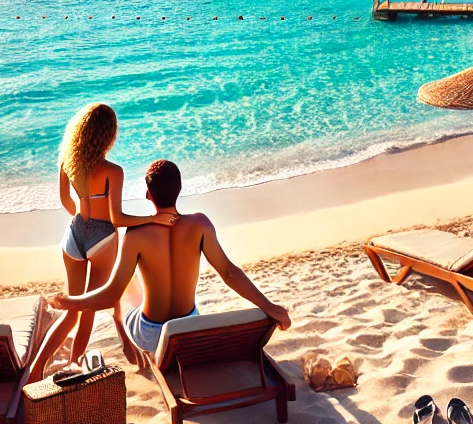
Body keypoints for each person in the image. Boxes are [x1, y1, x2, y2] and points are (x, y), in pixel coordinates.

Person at [29, 159, 289, 381]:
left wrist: (69, 301)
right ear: (180, 189)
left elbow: (109, 295)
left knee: (125, 285)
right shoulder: (200, 224)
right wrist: (271, 307)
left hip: (152, 335)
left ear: (148, 195)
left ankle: (125, 330)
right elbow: (229, 272)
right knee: (132, 282)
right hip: (189, 326)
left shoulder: (136, 234)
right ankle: (127, 325)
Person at [55, 104, 175, 365]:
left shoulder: (67, 162)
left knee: (75, 310)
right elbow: (117, 219)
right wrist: (154, 218)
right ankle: (75, 363)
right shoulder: (113, 171)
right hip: (102, 238)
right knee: (91, 304)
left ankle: (41, 367)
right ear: (108, 135)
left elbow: (66, 201)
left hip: (75, 236)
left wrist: (83, 216)